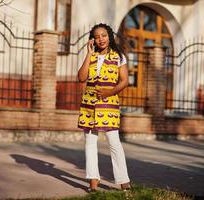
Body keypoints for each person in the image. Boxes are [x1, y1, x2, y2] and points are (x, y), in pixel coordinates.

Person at [77, 23, 131, 192]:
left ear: (109, 36)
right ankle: (93, 182)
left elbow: (124, 81)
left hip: (109, 104)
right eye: (97, 36)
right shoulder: (91, 56)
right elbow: (81, 77)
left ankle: (123, 182)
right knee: (90, 143)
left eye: (104, 35)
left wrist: (109, 92)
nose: (101, 39)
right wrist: (88, 54)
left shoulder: (119, 56)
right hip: (89, 104)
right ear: (92, 40)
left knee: (114, 142)